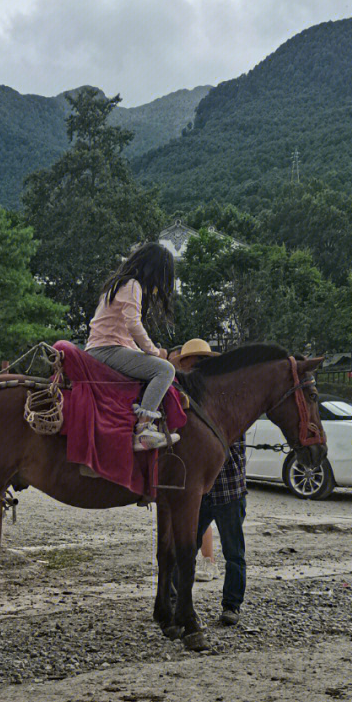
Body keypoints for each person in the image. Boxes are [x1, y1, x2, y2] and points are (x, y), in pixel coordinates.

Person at [172, 339, 247, 626]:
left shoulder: (222, 398)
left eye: (201, 361)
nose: (196, 367)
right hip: (201, 492)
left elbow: (232, 444)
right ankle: (176, 598)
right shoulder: (187, 400)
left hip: (228, 488)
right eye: (193, 363)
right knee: (186, 547)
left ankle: (232, 605)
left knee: (234, 552)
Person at [85, 242, 179, 450]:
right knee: (165, 370)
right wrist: (155, 352)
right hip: (106, 350)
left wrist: (147, 353)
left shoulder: (119, 284)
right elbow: (133, 325)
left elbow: (125, 336)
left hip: (104, 347)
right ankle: (144, 428)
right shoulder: (132, 286)